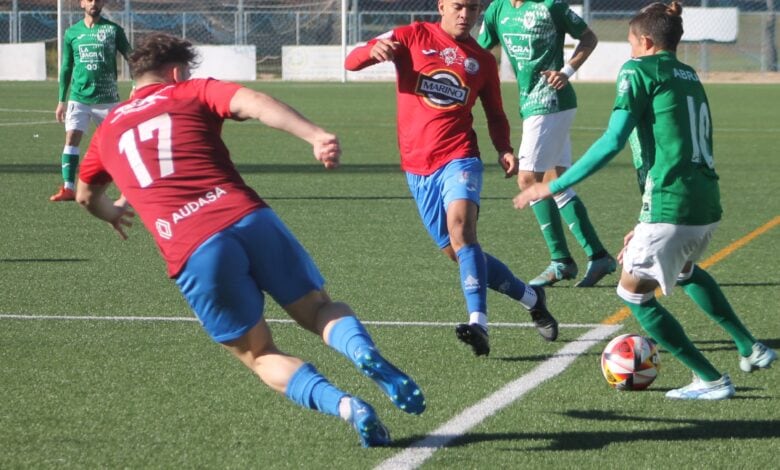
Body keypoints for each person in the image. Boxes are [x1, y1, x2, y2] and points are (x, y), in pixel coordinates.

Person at [75, 33, 425, 447]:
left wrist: (112, 212)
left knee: (259, 355)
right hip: (247, 218)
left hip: (193, 249)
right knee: (319, 310)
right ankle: (363, 353)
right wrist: (314, 135)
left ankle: (348, 406)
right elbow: (255, 103)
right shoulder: (192, 90)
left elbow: (85, 195)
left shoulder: (108, 129)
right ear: (175, 72)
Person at [513, 1, 776, 400]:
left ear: (647, 42)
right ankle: (749, 347)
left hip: (674, 202)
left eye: (632, 44)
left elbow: (612, 140)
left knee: (632, 294)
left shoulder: (638, 70)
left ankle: (709, 378)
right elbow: (670, 146)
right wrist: (644, 222)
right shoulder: (688, 75)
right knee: (684, 269)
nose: (630, 52)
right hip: (703, 201)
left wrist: (552, 184)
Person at [345, 0, 558, 357]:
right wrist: (371, 49)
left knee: (463, 231)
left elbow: (495, 113)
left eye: (473, 9)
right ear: (441, 5)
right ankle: (531, 297)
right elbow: (351, 60)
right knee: (458, 252)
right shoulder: (412, 35)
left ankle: (479, 323)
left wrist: (504, 147)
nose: (466, 15)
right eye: (459, 6)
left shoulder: (483, 61)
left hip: (460, 157)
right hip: (417, 166)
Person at [477, 0, 616, 287]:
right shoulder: (497, 10)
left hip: (551, 101)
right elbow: (478, 53)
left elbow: (589, 37)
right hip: (530, 103)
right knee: (557, 181)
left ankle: (561, 260)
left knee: (528, 180)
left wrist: (566, 71)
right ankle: (598, 255)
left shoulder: (550, 6)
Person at [51, 0, 132, 201]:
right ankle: (69, 188)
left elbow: (132, 58)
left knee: (117, 145)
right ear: (82, 4)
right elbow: (67, 67)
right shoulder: (72, 32)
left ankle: (129, 188)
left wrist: (136, 85)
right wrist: (62, 100)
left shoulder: (113, 30)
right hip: (78, 98)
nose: (93, 3)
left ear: (103, 3)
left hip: (107, 99)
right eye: (89, 0)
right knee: (71, 138)